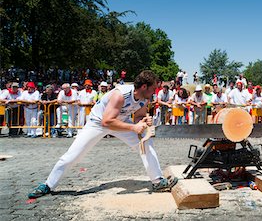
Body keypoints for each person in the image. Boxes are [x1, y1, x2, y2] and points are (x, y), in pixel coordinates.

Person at [28, 70, 178, 199]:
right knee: (75, 155)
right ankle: (48, 185)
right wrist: (134, 128)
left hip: (120, 121)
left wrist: (143, 121)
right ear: (144, 86)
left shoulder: (145, 99)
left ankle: (157, 181)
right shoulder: (121, 95)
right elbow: (107, 121)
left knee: (145, 142)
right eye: (152, 89)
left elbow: (138, 116)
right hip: (98, 123)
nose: (154, 92)